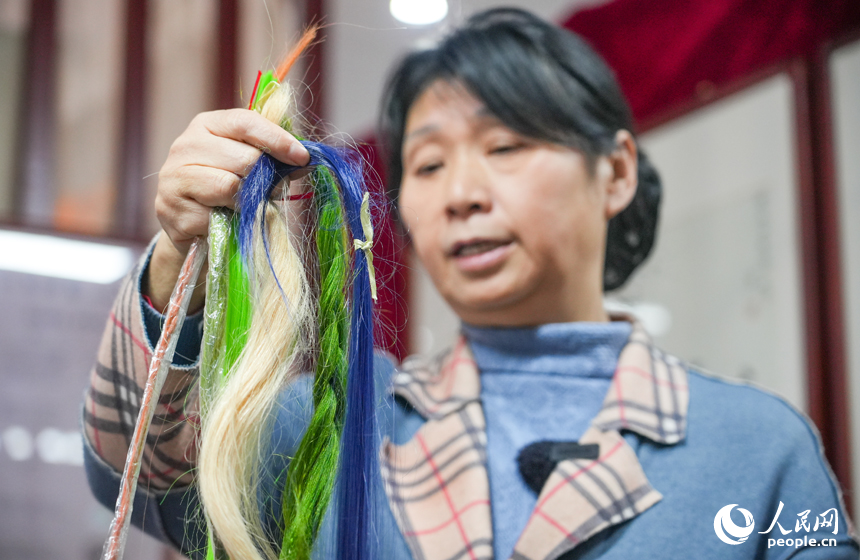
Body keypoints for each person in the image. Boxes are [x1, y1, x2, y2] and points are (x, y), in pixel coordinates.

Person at [82, 8, 857, 559]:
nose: (460, 194)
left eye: (506, 146)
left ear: (616, 171)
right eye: (427, 164)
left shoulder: (758, 447)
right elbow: (135, 473)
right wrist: (178, 257)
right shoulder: (331, 422)